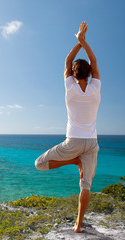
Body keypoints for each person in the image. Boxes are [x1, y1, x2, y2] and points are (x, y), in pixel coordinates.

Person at [35, 21, 101, 233]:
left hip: (73, 142)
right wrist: (84, 42)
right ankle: (79, 224)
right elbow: (94, 61)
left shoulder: (69, 87)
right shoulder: (95, 87)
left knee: (40, 164)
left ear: (73, 74)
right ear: (89, 74)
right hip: (91, 144)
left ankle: (74, 161)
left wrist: (78, 42)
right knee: (86, 186)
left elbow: (67, 61)